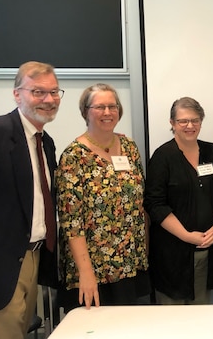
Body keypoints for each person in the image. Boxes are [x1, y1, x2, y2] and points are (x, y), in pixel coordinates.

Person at [0, 61, 61, 339]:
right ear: (16, 94)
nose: (48, 99)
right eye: (38, 92)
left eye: (53, 92)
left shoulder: (45, 142)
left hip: (33, 259)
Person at [56, 83, 149, 312]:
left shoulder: (129, 147)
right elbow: (71, 221)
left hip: (128, 263)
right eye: (100, 107)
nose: (107, 112)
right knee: (93, 338)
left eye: (112, 106)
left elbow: (139, 202)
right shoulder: (74, 155)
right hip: (92, 268)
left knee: (128, 333)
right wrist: (86, 274)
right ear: (85, 111)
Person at [144, 97, 213, 304]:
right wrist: (187, 236)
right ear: (172, 123)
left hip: (206, 249)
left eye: (195, 120)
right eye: (183, 121)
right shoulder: (162, 157)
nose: (190, 126)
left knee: (200, 311)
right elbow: (154, 205)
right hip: (172, 253)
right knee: (172, 317)